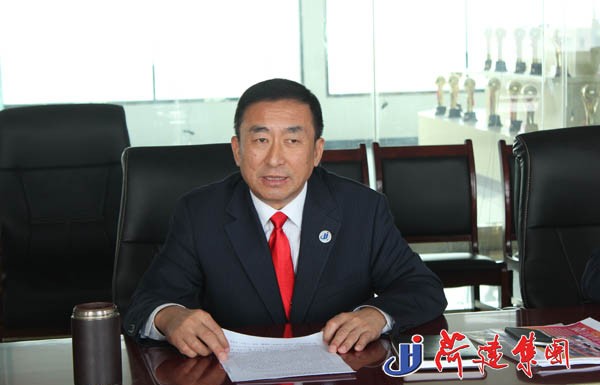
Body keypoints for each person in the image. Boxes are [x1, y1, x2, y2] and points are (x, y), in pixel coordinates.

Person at [124, 78, 447, 362]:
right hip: (229, 381)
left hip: (339, 377)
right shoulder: (199, 212)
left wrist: (376, 315)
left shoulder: (362, 209)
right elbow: (146, 303)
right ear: (237, 150)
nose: (275, 159)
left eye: (292, 141)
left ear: (317, 151)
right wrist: (170, 317)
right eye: (260, 140)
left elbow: (422, 288)